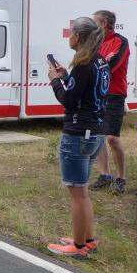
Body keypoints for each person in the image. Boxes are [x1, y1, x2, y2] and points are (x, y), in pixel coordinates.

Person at [46, 17, 110, 260]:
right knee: (83, 192)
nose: (69, 37)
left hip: (78, 134)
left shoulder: (83, 65)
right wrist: (66, 78)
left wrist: (55, 81)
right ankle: (88, 240)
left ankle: (79, 246)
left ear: (79, 37)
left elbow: (69, 100)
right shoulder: (100, 61)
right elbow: (83, 92)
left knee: (78, 194)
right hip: (96, 133)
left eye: (71, 33)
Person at [89, 10, 130, 194]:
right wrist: (101, 63)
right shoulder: (94, 43)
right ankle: (105, 175)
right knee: (98, 136)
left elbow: (111, 66)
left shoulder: (120, 41)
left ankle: (121, 178)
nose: (92, 25)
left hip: (115, 94)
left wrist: (100, 65)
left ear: (104, 24)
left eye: (94, 22)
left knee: (112, 138)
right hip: (97, 94)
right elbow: (88, 65)